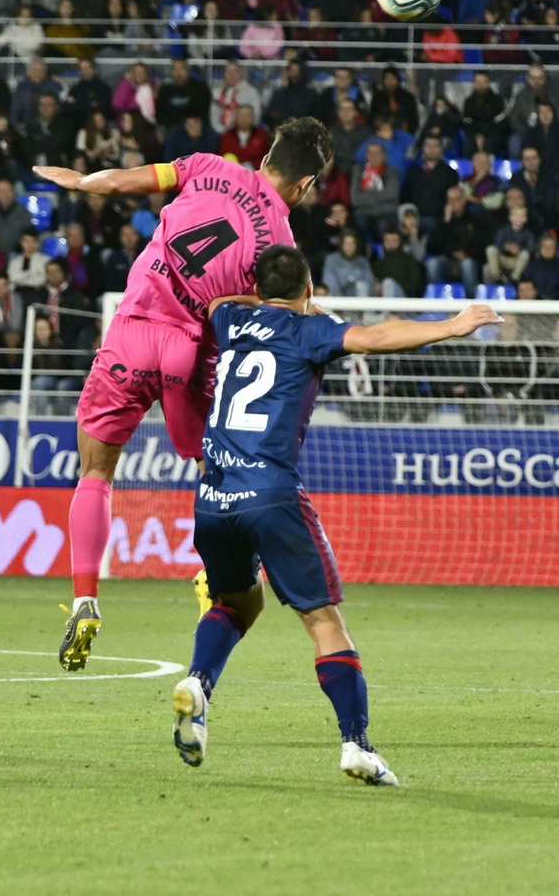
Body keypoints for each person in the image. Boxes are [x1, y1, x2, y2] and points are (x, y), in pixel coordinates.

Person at [170, 243, 502, 783]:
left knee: (238, 602)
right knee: (324, 622)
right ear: (308, 290)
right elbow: (376, 336)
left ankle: (199, 684)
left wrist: (267, 298)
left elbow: (215, 302)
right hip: (272, 493)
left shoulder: (230, 318)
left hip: (212, 497)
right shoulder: (309, 331)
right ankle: (357, 745)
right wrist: (452, 324)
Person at [30, 116, 333, 671]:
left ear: (265, 157)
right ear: (306, 185)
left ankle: (85, 599)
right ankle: (212, 574)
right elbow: (291, 317)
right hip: (190, 353)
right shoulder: (282, 243)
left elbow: (126, 181)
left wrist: (83, 183)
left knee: (95, 471)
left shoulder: (206, 167)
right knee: (215, 467)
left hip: (131, 331)